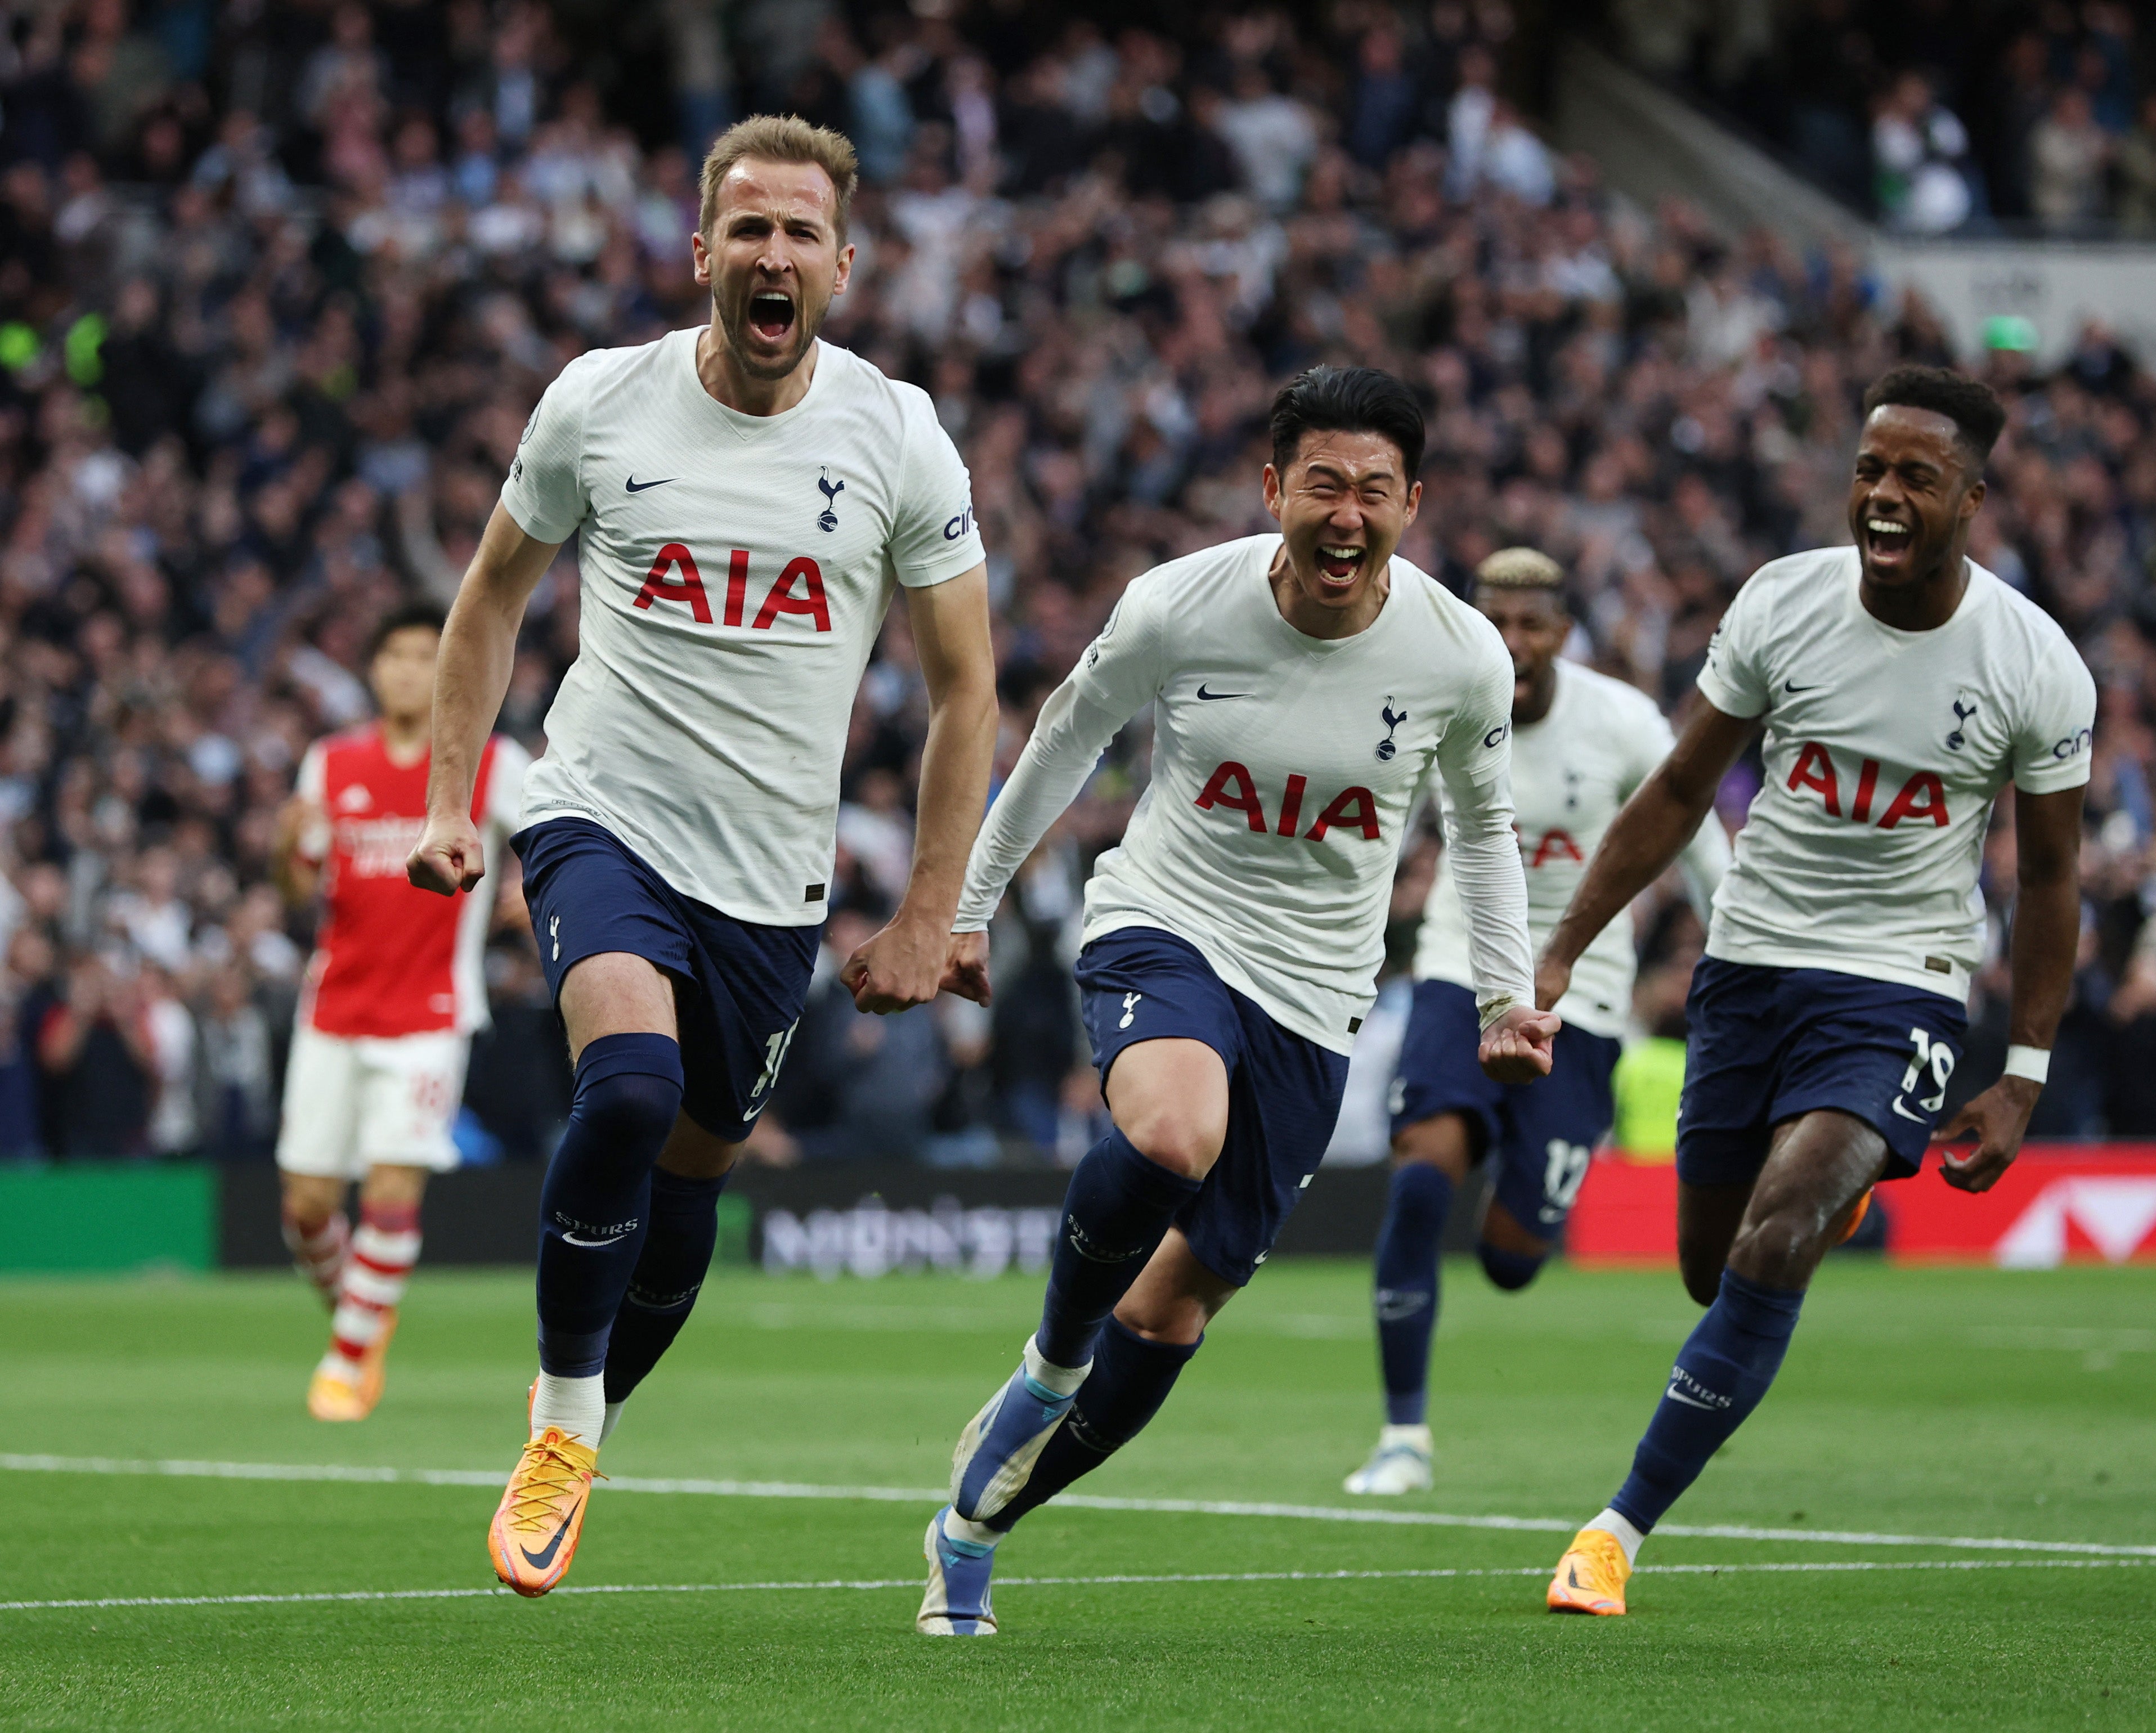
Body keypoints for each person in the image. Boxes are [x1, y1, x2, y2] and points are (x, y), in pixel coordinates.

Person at [405, 115, 997, 1598]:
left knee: (681, 1212)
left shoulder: (895, 433)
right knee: (631, 1085)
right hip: (598, 811)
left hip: (769, 889)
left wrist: (934, 910)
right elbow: (485, 605)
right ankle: (558, 1422)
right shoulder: (600, 405)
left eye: (801, 233)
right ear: (701, 252)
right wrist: (450, 802)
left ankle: (588, 1413)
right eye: (749, 229)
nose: (773, 255)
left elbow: (966, 687)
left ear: (844, 266)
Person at [916, 366, 1556, 1636]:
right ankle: (1047, 1363)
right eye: (1321, 482)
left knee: (1177, 1310)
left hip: (1318, 1000)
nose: (1345, 513)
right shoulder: (1176, 604)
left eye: (1374, 490)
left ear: (1412, 505)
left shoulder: (1458, 655)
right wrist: (972, 906)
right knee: (1169, 1134)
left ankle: (975, 1525)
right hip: (1167, 922)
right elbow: (1066, 735)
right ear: (1273, 488)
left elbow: (1482, 830)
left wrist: (1503, 995)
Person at [1528, 365, 2096, 1616]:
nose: (1884, 497)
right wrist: (1562, 946)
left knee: (1778, 1230)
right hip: (1750, 963)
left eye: (1917, 479)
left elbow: (2051, 878)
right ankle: (1826, 1194)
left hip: (1902, 982)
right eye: (1870, 471)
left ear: (1972, 499)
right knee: (1711, 1266)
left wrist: (2026, 1074)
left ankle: (1615, 1532)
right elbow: (1680, 792)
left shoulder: (2034, 664)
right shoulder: (1781, 603)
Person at [1342, 545, 1730, 1496]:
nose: (1509, 643)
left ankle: (1500, 1158)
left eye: (1529, 625)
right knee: (1420, 1179)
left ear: (1560, 632)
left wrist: (1737, 956)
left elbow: (1699, 843)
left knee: (1514, 1260)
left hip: (1582, 1001)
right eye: (1493, 622)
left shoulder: (1622, 723)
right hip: (1454, 968)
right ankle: (1401, 1438)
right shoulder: (1434, 700)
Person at [271, 601, 526, 1422]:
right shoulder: (331, 760)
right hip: (335, 1004)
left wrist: (530, 897)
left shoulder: (492, 763)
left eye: (427, 655)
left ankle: (347, 1359)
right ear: (374, 669)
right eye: (396, 655)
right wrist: (284, 849)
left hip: (431, 1010)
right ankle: (364, 1312)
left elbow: (555, 842)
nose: (410, 670)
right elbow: (296, 890)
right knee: (306, 1208)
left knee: (390, 1190)